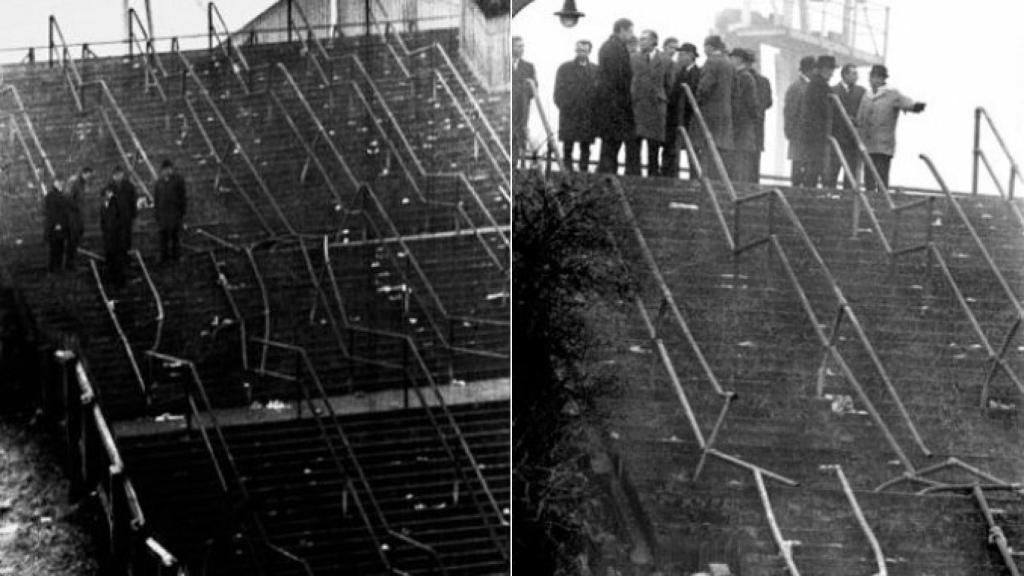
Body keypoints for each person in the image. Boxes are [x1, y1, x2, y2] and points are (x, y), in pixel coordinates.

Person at [856, 64, 925, 192]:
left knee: (881, 175)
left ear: (883, 80)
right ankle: (870, 199)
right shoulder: (866, 97)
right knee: (868, 177)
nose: (874, 80)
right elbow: (860, 118)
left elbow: (907, 103)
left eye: (878, 77)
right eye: (873, 77)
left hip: (883, 144)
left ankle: (882, 198)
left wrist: (916, 106)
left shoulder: (892, 95)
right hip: (868, 143)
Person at [628, 30, 674, 177]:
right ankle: (634, 175)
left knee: (654, 144)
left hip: (656, 106)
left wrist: (661, 97)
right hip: (638, 105)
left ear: (654, 41)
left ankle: (653, 174)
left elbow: (669, 85)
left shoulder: (666, 60)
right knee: (635, 142)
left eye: (645, 39)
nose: (641, 42)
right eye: (640, 39)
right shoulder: (633, 59)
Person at [595, 18, 636, 174]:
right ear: (622, 30)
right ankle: (607, 174)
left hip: (611, 102)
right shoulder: (615, 48)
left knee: (610, 143)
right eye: (630, 31)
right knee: (612, 142)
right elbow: (618, 76)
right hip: (615, 103)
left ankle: (606, 172)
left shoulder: (610, 46)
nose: (632, 35)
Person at [554, 40, 599, 172]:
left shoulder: (595, 70)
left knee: (585, 146)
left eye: (584, 51)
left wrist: (594, 110)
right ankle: (567, 170)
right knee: (568, 144)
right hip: (570, 113)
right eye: (578, 50)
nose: (581, 53)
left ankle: (583, 171)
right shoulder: (565, 68)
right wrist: (565, 107)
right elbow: (558, 92)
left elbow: (599, 92)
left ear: (589, 52)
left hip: (587, 115)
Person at [696, 35, 733, 181]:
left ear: (710, 47)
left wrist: (697, 99)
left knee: (708, 145)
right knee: (720, 146)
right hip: (725, 110)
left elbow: (705, 86)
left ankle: (706, 179)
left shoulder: (712, 61)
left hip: (710, 111)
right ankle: (719, 179)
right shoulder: (728, 62)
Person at [824, 64, 867, 189]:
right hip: (836, 138)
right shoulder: (832, 91)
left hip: (853, 140)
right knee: (832, 172)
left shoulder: (861, 92)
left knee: (851, 175)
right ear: (844, 74)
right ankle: (829, 195)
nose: (856, 77)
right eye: (853, 73)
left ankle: (848, 198)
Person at [798, 55, 838, 188]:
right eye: (831, 69)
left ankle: (810, 190)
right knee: (815, 166)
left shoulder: (815, 84)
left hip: (813, 134)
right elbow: (823, 109)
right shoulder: (819, 85)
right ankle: (810, 192)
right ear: (824, 69)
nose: (832, 73)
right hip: (816, 134)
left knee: (814, 167)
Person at [728, 48, 760, 183]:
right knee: (739, 162)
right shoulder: (743, 76)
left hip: (741, 126)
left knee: (739, 163)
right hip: (743, 126)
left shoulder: (744, 77)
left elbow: (750, 103)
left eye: (732, 58)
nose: (730, 60)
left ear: (739, 59)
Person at [784, 56, 816, 187]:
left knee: (807, 168)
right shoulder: (797, 87)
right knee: (798, 168)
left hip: (807, 135)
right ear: (810, 69)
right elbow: (790, 112)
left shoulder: (806, 86)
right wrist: (790, 132)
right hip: (799, 134)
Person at [672, 43, 701, 179]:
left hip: (690, 117)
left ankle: (694, 177)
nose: (679, 57)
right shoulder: (681, 72)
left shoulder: (697, 73)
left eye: (682, 54)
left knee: (692, 149)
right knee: (678, 148)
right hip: (680, 116)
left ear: (690, 56)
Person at [154, 159, 187, 262]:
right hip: (163, 215)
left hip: (175, 214)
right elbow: (156, 199)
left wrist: (182, 212)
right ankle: (163, 256)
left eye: (169, 169)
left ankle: (176, 256)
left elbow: (182, 197)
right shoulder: (159, 183)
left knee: (175, 236)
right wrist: (157, 213)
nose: (167, 171)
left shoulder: (178, 181)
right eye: (165, 169)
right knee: (163, 237)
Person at [511, 36, 536, 167]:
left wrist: (523, 90)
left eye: (523, 46)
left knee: (520, 136)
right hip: (509, 109)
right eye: (518, 46)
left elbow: (533, 89)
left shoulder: (529, 67)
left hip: (522, 109)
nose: (522, 49)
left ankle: (518, 165)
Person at [105, 166, 137, 260]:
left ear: (122, 174)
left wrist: (133, 214)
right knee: (116, 240)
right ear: (113, 176)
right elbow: (107, 203)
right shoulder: (109, 187)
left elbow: (133, 200)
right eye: (116, 175)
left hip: (126, 217)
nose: (118, 176)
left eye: (120, 174)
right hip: (115, 219)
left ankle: (126, 258)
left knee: (126, 239)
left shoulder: (129, 186)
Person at [65, 166, 92, 270]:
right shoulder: (74, 181)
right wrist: (77, 208)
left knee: (77, 239)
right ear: (84, 173)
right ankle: (70, 263)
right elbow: (68, 197)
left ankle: (72, 262)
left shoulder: (82, 183)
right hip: (72, 216)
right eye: (88, 175)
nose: (89, 178)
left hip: (79, 216)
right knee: (72, 239)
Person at [100, 185, 127, 288]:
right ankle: (113, 280)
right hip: (110, 237)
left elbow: (119, 220)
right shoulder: (105, 205)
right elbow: (104, 221)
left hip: (116, 237)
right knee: (112, 259)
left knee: (116, 260)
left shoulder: (116, 203)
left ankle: (118, 281)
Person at [751, 58, 773, 183]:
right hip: (758, 126)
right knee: (755, 162)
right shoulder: (764, 81)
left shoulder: (739, 78)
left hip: (742, 129)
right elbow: (769, 103)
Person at [43, 174, 70, 274]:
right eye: (58, 182)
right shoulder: (51, 196)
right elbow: (51, 212)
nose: (60, 184)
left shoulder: (61, 194)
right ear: (54, 183)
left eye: (62, 182)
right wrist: (56, 224)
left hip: (61, 226)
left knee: (60, 247)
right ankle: (52, 269)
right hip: (55, 227)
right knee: (54, 248)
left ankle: (58, 268)